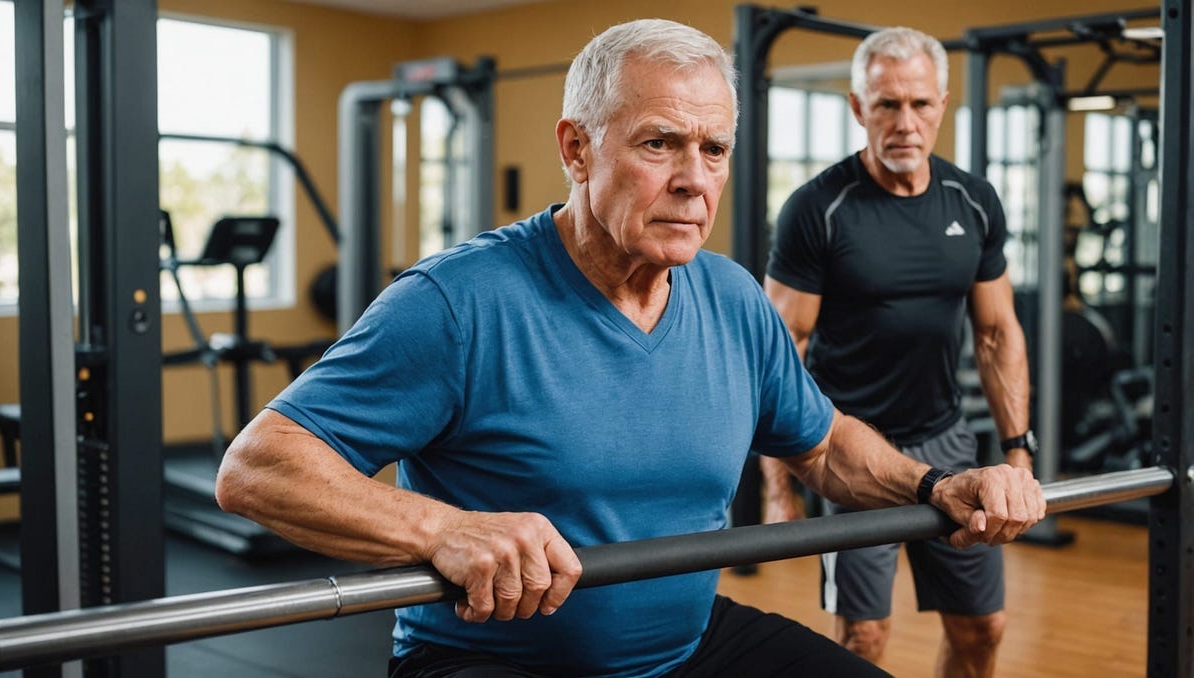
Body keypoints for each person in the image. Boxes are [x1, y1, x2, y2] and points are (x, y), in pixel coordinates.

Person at [216, 18, 1044, 678]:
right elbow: (258, 466)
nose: (694, 179)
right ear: (576, 148)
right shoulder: (458, 303)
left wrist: (938, 483)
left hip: (687, 650)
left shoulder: (731, 298)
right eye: (659, 144)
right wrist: (441, 529)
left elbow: (824, 445)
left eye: (712, 149)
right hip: (490, 658)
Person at [762, 26, 1036, 678]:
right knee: (864, 638)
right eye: (886, 104)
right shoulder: (817, 209)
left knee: (983, 628)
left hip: (945, 442)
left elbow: (998, 333)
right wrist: (778, 487)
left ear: (942, 104)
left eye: (918, 103)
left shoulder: (972, 201)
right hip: (849, 452)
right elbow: (778, 352)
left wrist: (1019, 454)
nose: (904, 122)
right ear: (859, 108)